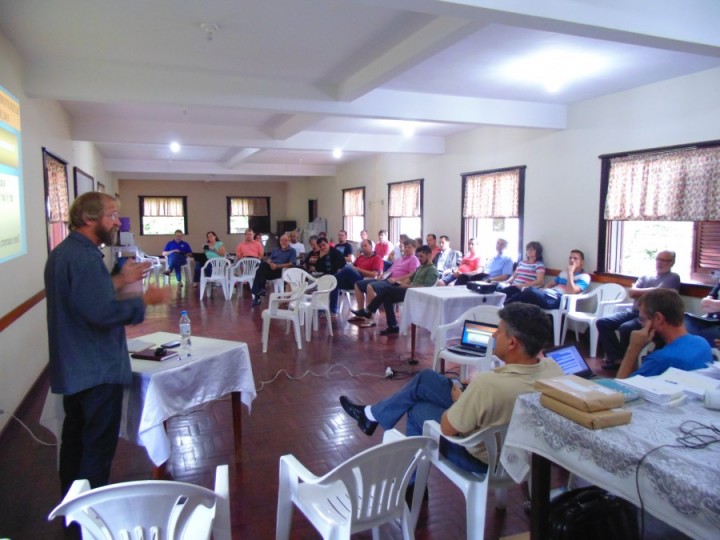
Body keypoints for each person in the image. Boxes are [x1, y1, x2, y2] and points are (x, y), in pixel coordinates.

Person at [340, 303, 562, 480]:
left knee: (417, 410)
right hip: (522, 451)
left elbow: (448, 428)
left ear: (512, 342)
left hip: (482, 458)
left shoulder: (489, 384)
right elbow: (514, 382)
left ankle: (412, 483)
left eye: (499, 331)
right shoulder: (554, 370)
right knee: (425, 379)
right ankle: (371, 415)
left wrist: (461, 400)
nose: (493, 335)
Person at [45, 192, 171, 496]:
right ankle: (92, 513)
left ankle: (72, 506)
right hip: (96, 369)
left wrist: (118, 281)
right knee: (96, 448)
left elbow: (84, 297)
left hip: (74, 366)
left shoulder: (63, 253)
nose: (117, 222)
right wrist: (145, 300)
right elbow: (101, 314)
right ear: (89, 219)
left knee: (74, 441)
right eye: (111, 214)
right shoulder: (86, 258)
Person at [596, 250, 681, 369]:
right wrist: (655, 290)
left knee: (625, 328)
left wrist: (642, 292)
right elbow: (632, 292)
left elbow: (659, 295)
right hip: (633, 311)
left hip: (649, 316)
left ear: (672, 263)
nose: (660, 263)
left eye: (664, 260)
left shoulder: (673, 277)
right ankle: (616, 358)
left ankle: (627, 361)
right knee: (603, 322)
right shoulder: (645, 276)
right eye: (658, 259)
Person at [617, 289, 712, 379]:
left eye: (642, 320)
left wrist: (633, 349)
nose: (641, 325)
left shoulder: (660, 360)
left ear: (658, 318)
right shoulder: (702, 342)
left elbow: (619, 390)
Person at [351, 245, 437, 335]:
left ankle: (368, 311)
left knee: (386, 290)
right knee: (386, 296)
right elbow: (410, 279)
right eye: (418, 256)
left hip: (417, 295)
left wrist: (406, 287)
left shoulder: (432, 270)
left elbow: (426, 288)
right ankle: (392, 325)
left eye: (421, 256)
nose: (419, 259)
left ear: (429, 255)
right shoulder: (421, 267)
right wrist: (403, 284)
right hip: (410, 291)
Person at [504, 249, 590, 309]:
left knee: (529, 291)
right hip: (547, 294)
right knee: (515, 289)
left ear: (581, 261)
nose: (572, 260)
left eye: (575, 258)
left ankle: (504, 306)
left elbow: (571, 291)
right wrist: (544, 289)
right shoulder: (563, 273)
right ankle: (504, 306)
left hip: (558, 300)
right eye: (570, 258)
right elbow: (551, 284)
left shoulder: (584, 277)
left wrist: (570, 273)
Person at [354, 238, 419, 311]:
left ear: (415, 248)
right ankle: (361, 312)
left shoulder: (414, 259)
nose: (407, 249)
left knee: (370, 286)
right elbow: (390, 270)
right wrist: (382, 275)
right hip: (387, 279)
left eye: (409, 247)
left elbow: (412, 274)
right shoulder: (399, 259)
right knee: (358, 284)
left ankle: (369, 316)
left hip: (397, 283)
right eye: (405, 247)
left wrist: (396, 279)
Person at [335, 239, 384, 316]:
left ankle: (331, 282)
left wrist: (358, 269)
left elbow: (374, 275)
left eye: (365, 246)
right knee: (336, 282)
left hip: (365, 281)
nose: (363, 248)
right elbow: (352, 267)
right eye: (362, 246)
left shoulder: (377, 258)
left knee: (338, 277)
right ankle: (332, 309)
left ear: (371, 246)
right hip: (352, 281)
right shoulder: (360, 257)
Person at [250, 234, 297, 305]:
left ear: (289, 241)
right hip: (271, 269)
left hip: (281, 271)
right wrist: (270, 263)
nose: (283, 242)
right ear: (279, 241)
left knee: (260, 272)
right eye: (282, 240)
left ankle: (257, 296)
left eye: (285, 240)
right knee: (262, 264)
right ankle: (261, 289)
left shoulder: (292, 251)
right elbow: (270, 259)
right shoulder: (275, 250)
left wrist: (277, 266)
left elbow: (291, 264)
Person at [684, 278, 720, 348]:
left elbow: (707, 303)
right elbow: (704, 305)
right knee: (685, 321)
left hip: (717, 327)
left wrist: (710, 304)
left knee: (691, 334)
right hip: (709, 321)